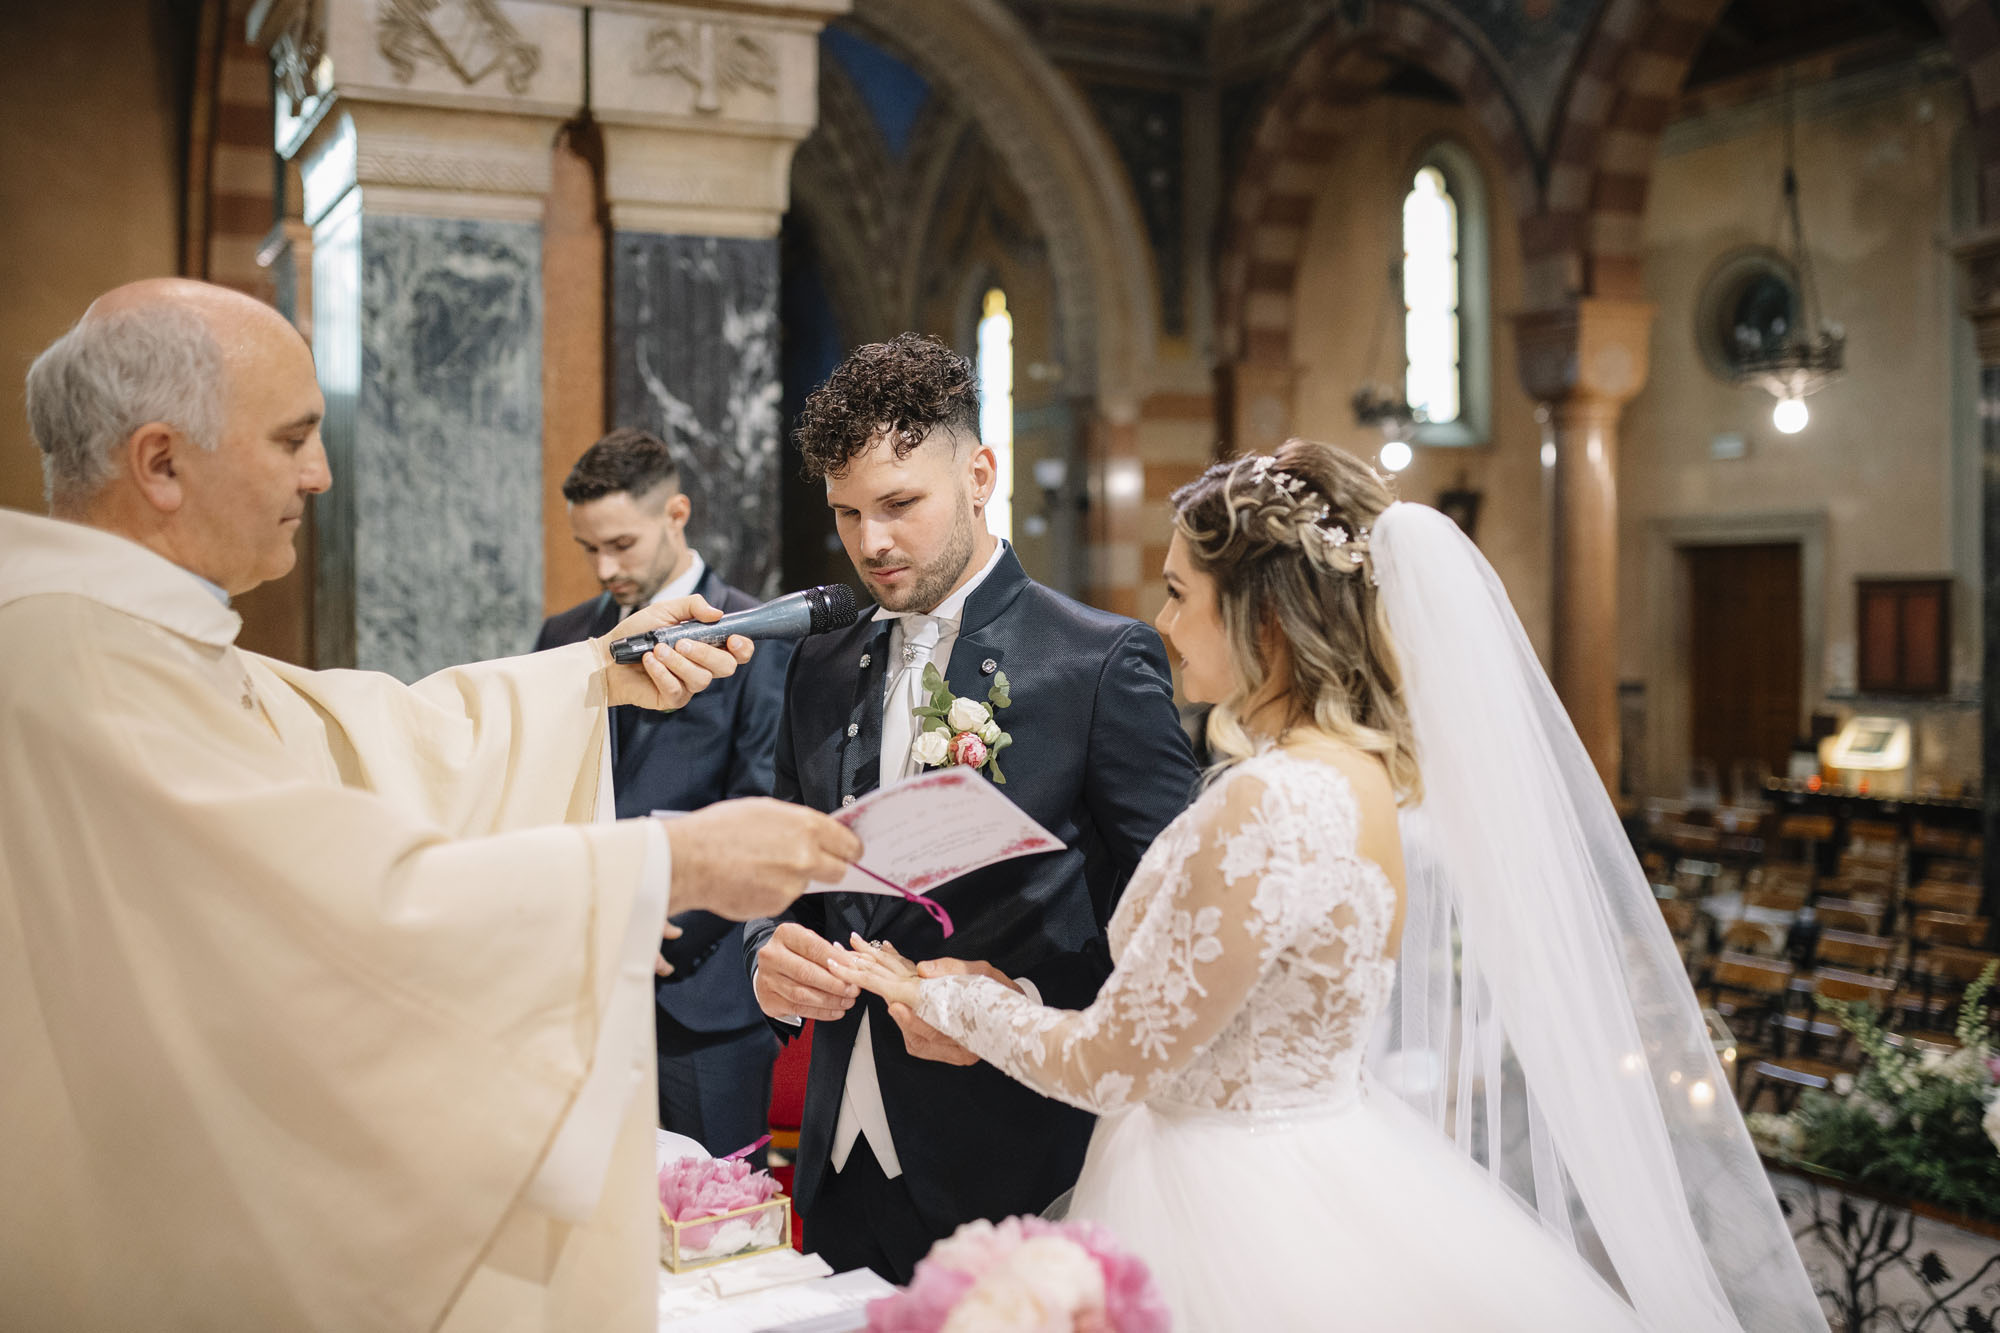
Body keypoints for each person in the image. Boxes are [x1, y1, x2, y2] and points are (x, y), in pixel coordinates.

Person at [0, 278, 862, 1333]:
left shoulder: (127, 636)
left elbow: (374, 737)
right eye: (292, 439)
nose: (319, 475)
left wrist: (592, 673)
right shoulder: (77, 665)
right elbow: (340, 908)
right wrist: (667, 864)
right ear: (161, 462)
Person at [837, 440, 1830, 1330]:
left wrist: (942, 994)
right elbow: (1195, 1021)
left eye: (1181, 592)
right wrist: (1012, 1000)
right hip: (1312, 1154)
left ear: (1261, 611)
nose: (1162, 620)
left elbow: (1113, 1066)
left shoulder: (1271, 802)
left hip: (1232, 1205)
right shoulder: (1354, 780)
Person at [744, 334, 1199, 1283]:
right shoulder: (821, 663)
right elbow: (798, 871)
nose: (871, 542)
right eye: (847, 514)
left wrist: (1019, 1008)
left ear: (981, 472)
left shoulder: (1097, 663)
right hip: (839, 1153)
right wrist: (768, 955)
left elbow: (1176, 928)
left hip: (1017, 1152)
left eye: (901, 504)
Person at [536, 427, 787, 1164]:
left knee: (717, 1217)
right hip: (581, 990)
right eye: (589, 548)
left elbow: (759, 800)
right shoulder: (564, 635)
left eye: (622, 543)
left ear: (676, 513)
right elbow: (549, 785)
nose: (606, 567)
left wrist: (650, 920)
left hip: (702, 997)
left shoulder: (757, 632)